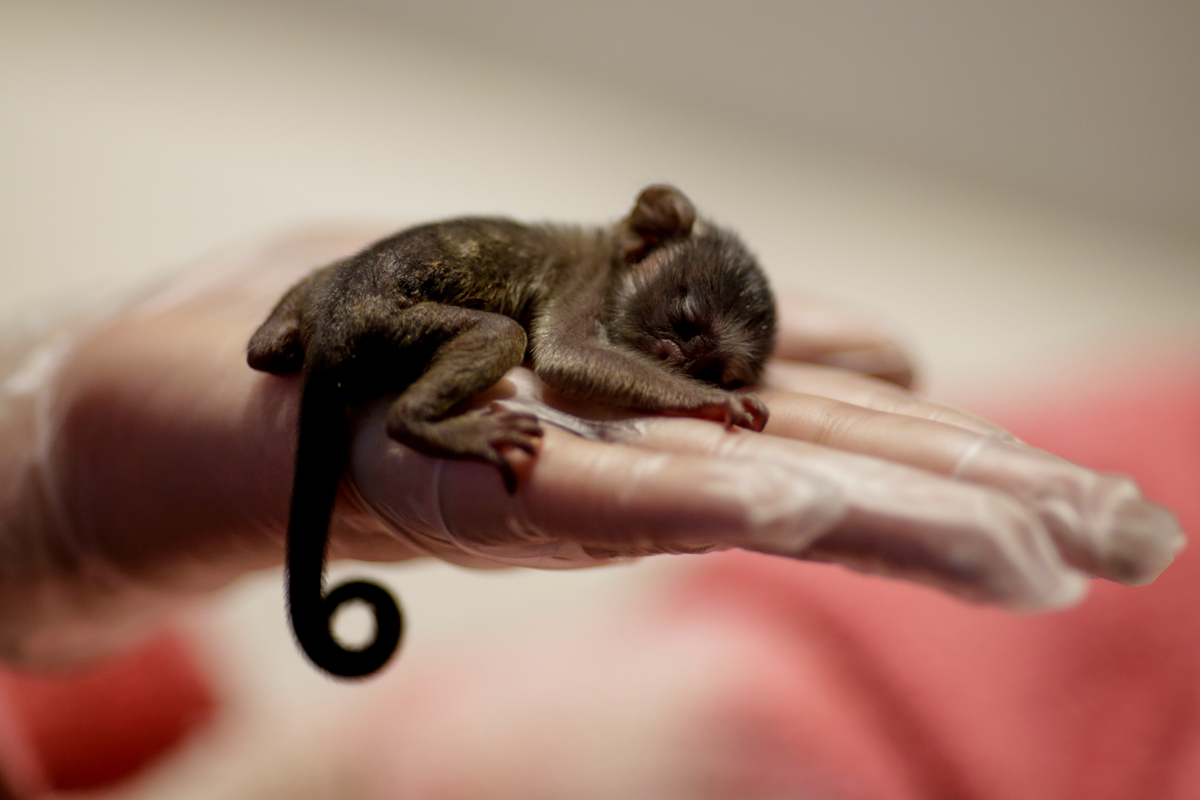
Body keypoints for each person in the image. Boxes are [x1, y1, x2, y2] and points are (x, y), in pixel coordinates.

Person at [0, 226, 1184, 797]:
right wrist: (47, 500)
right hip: (380, 373)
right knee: (499, 346)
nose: (690, 359)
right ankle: (429, 420)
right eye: (679, 331)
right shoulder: (577, 285)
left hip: (320, 331)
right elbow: (565, 370)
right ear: (642, 246)